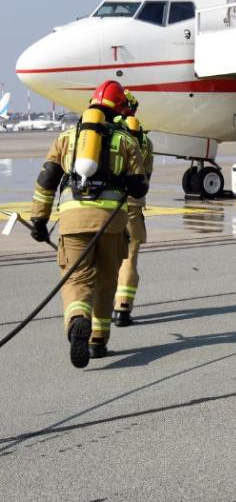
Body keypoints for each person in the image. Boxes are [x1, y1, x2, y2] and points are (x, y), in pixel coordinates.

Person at [29, 80, 148, 368]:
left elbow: (47, 179)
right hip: (112, 223)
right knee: (107, 281)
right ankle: (98, 342)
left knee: (76, 279)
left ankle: (77, 320)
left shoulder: (67, 138)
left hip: (73, 220)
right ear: (119, 109)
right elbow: (138, 187)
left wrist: (39, 219)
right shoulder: (126, 140)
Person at [113, 91, 154, 327]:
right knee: (129, 259)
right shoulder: (146, 142)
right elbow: (144, 180)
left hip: (104, 208)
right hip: (132, 209)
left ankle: (101, 307)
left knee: (104, 260)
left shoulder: (109, 135)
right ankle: (123, 310)